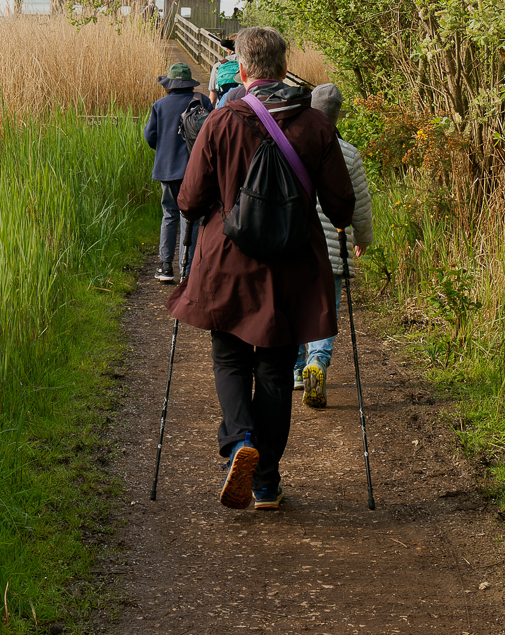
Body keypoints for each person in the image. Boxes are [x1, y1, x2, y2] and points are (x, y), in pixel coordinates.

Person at [169, 27, 355, 511]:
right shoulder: (315, 124)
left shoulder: (222, 120)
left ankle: (239, 441)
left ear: (243, 69)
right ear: (284, 64)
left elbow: (188, 201)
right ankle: (267, 484)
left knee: (230, 356)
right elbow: (341, 206)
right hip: (290, 267)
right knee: (274, 369)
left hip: (227, 264)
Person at [294, 83, 375, 409]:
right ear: (338, 113)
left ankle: (298, 370)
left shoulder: (291, 142)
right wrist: (364, 238)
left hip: (295, 244)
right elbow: (361, 205)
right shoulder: (350, 153)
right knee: (326, 311)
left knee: (296, 307)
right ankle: (318, 363)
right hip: (334, 247)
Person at [143, 62, 209, 282]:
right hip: (195, 170)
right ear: (189, 83)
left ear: (170, 84)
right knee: (191, 218)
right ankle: (187, 271)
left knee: (169, 214)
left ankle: (165, 267)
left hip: (167, 168)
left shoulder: (159, 105)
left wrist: (164, 150)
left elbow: (150, 136)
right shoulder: (202, 101)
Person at [208, 37, 242, 106]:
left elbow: (212, 98)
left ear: (229, 51)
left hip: (223, 108)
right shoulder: (249, 65)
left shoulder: (218, 66)